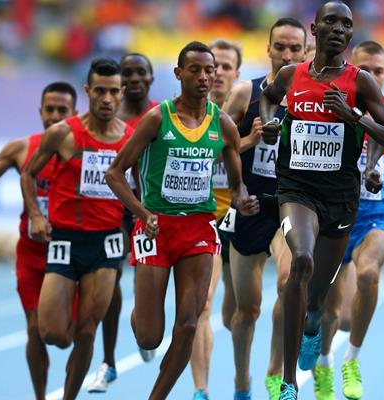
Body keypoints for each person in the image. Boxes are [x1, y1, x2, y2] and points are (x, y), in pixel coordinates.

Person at [259, 2, 384, 398]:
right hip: (296, 190)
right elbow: (269, 96)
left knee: (321, 295)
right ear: (315, 28)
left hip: (340, 196)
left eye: (346, 24)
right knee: (301, 262)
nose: (339, 29)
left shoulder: (361, 83)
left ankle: (311, 322)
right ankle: (289, 381)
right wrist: (272, 123)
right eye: (331, 22)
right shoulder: (292, 74)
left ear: (350, 34)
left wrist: (353, 116)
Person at [105, 41, 259, 400]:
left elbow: (237, 186)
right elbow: (115, 174)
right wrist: (142, 213)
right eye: (195, 70)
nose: (205, 76)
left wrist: (244, 200)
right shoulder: (158, 118)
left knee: (189, 324)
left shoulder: (221, 124)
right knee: (149, 336)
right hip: (155, 227)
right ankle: (141, 315)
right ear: (179, 74)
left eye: (210, 70)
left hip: (198, 230)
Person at [0, 82, 77, 400]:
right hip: (33, 253)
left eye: (62, 110)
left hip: (73, 253)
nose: (55, 116)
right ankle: (40, 395)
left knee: (65, 337)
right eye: (49, 109)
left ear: (75, 113)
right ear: (40, 112)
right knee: (35, 329)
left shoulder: (83, 148)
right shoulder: (21, 148)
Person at [21, 58, 132, 400]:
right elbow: (28, 174)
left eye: (114, 92)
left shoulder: (131, 137)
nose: (107, 99)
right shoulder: (63, 133)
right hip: (66, 240)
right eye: (100, 90)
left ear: (122, 93)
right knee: (52, 332)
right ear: (88, 91)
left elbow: (141, 185)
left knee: (87, 331)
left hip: (107, 242)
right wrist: (37, 216)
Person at [222, 17, 307, 400]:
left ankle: (276, 372)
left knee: (290, 281)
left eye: (295, 48)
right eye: (281, 47)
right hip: (250, 206)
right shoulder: (245, 94)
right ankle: (242, 382)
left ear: (305, 52)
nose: (287, 54)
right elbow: (216, 151)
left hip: (290, 205)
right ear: (269, 49)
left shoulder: (313, 98)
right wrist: (250, 140)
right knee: (247, 310)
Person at [313, 40, 384, 400]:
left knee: (369, 274)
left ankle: (353, 359)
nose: (372, 77)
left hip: (374, 216)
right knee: (330, 314)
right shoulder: (332, 107)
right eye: (366, 70)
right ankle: (324, 362)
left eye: (378, 71)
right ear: (351, 71)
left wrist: (375, 171)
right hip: (335, 215)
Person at [88, 52, 160, 393]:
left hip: (151, 209)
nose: (132, 79)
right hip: (115, 208)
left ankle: (146, 328)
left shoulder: (164, 114)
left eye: (139, 72)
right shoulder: (108, 115)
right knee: (111, 276)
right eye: (126, 73)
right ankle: (109, 362)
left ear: (150, 78)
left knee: (146, 281)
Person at [190, 38, 242, 400]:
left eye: (226, 67)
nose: (218, 73)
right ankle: (201, 390)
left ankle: (241, 381)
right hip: (205, 220)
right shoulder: (188, 117)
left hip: (240, 223)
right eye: (214, 66)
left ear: (237, 74)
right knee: (202, 305)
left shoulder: (249, 113)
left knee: (233, 314)